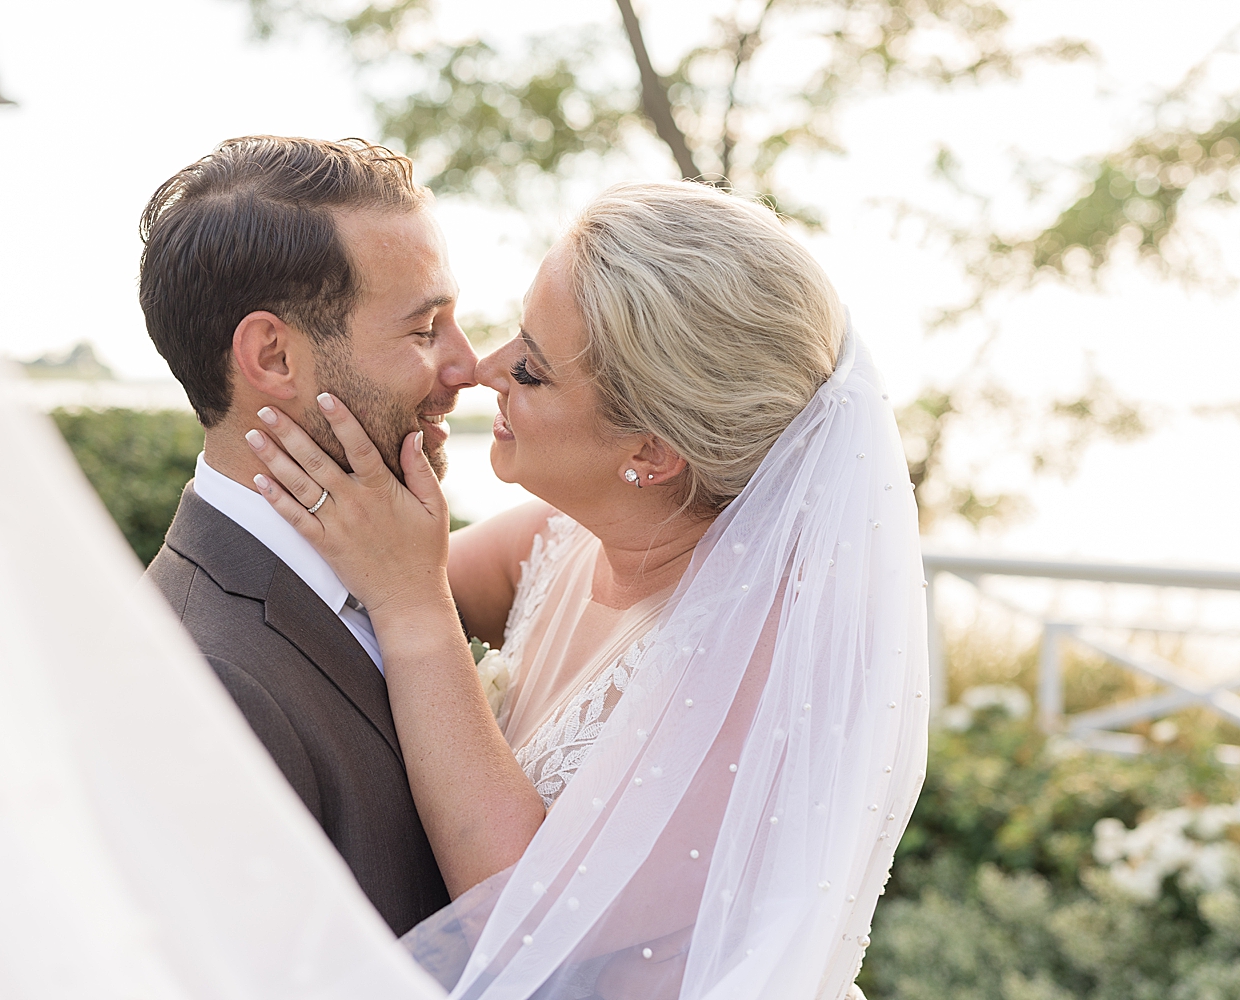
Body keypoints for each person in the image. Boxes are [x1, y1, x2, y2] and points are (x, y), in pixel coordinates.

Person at [246, 181, 930, 999]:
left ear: (652, 451)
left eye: (531, 369)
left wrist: (416, 611)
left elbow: (528, 916)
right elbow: (346, 585)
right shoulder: (556, 540)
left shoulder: (762, 656)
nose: (482, 369)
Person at [136, 136, 479, 935]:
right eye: (426, 329)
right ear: (273, 355)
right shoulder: (211, 683)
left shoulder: (397, 577)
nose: (467, 366)